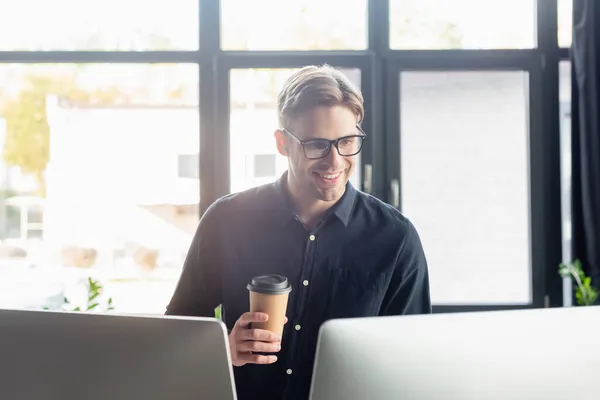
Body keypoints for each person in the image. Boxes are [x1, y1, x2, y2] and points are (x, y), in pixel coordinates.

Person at [165, 65, 431, 400]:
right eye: (317, 144)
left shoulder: (396, 237)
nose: (335, 161)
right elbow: (178, 330)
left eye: (347, 142)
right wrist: (223, 349)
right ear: (282, 143)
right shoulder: (226, 220)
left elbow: (414, 355)